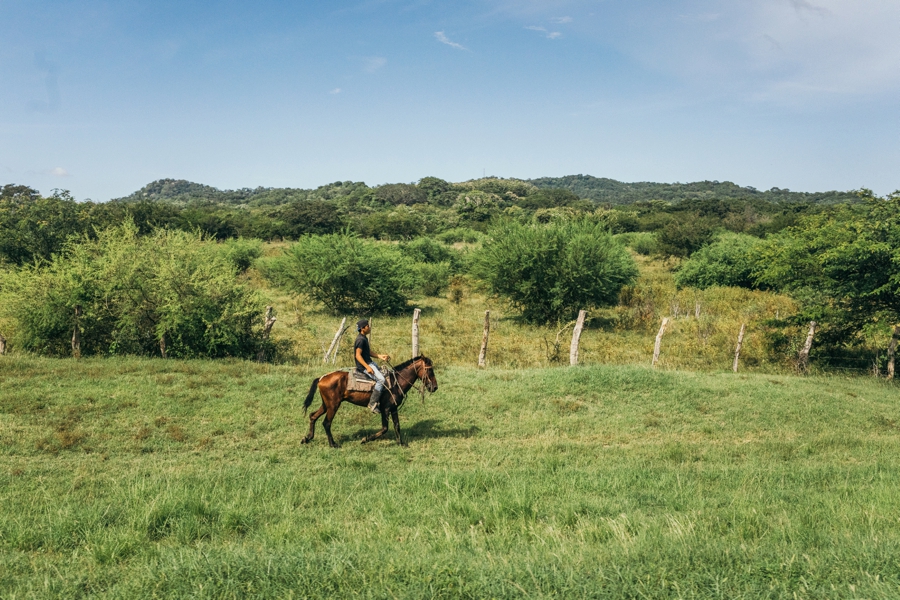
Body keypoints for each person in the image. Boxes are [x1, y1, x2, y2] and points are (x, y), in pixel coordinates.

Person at [354, 319, 390, 413]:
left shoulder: (364, 337)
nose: (369, 327)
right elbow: (358, 355)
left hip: (370, 362)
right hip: (365, 366)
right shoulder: (360, 340)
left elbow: (367, 352)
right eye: (367, 326)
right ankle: (372, 403)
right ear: (362, 328)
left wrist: (379, 356)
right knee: (381, 380)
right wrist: (367, 367)